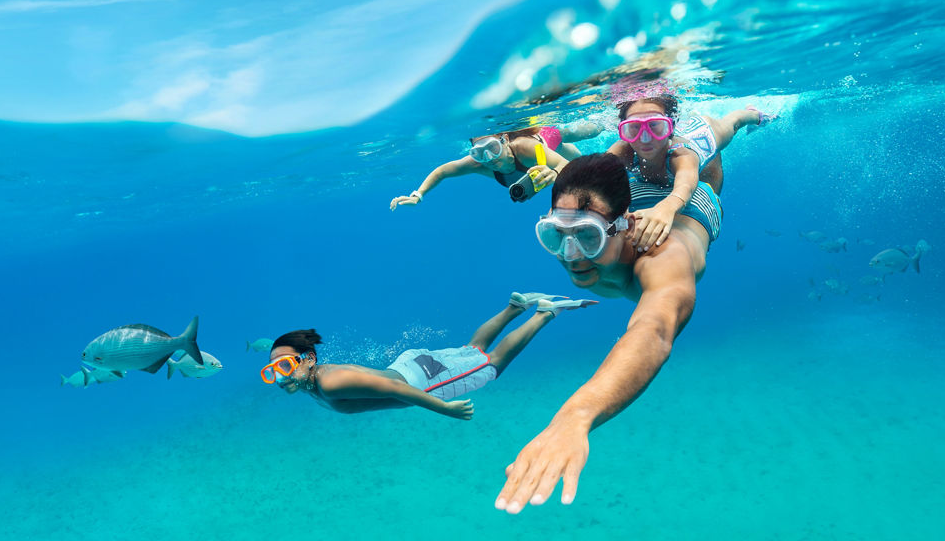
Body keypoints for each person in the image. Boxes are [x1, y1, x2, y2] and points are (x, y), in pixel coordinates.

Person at [493, 152, 719, 514]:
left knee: (702, 170)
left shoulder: (663, 257)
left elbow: (654, 330)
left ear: (624, 225)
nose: (571, 255)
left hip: (693, 211)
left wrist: (577, 414)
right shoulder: (592, 217)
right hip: (625, 201)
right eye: (555, 236)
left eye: (587, 236)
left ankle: (717, 130)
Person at [262, 293, 597, 417]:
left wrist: (444, 409)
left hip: (423, 380)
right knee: (473, 351)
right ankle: (514, 307)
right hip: (409, 366)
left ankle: (545, 313)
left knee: (492, 365)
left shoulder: (331, 383)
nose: (280, 376)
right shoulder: (315, 381)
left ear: (308, 360)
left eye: (286, 365)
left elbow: (397, 391)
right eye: (272, 371)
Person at [606, 91, 774, 251]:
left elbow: (685, 185)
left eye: (656, 125)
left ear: (671, 126)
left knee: (732, 123)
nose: (645, 138)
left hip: (700, 137)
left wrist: (667, 208)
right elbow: (598, 178)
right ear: (622, 131)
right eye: (633, 127)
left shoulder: (682, 154)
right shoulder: (623, 149)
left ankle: (755, 115)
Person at [389, 122, 605, 209]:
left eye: (492, 148)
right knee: (578, 160)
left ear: (504, 140)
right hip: (546, 158)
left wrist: (555, 171)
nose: (488, 157)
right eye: (479, 152)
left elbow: (563, 164)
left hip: (547, 138)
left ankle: (603, 124)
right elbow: (442, 171)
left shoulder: (523, 147)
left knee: (571, 135)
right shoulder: (478, 164)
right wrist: (419, 194)